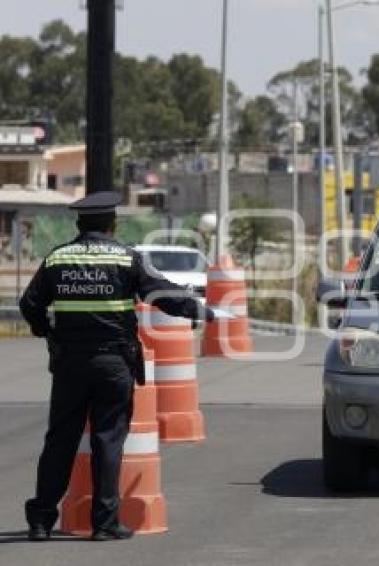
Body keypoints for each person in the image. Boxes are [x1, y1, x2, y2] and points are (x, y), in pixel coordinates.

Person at [19, 191, 216, 541]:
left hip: (70, 364)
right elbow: (164, 294)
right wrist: (201, 311)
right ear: (112, 224)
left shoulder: (57, 258)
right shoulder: (127, 259)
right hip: (114, 363)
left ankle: (40, 520)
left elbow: (30, 303)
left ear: (80, 224)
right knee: (108, 441)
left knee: (60, 440)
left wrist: (46, 330)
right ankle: (105, 524)